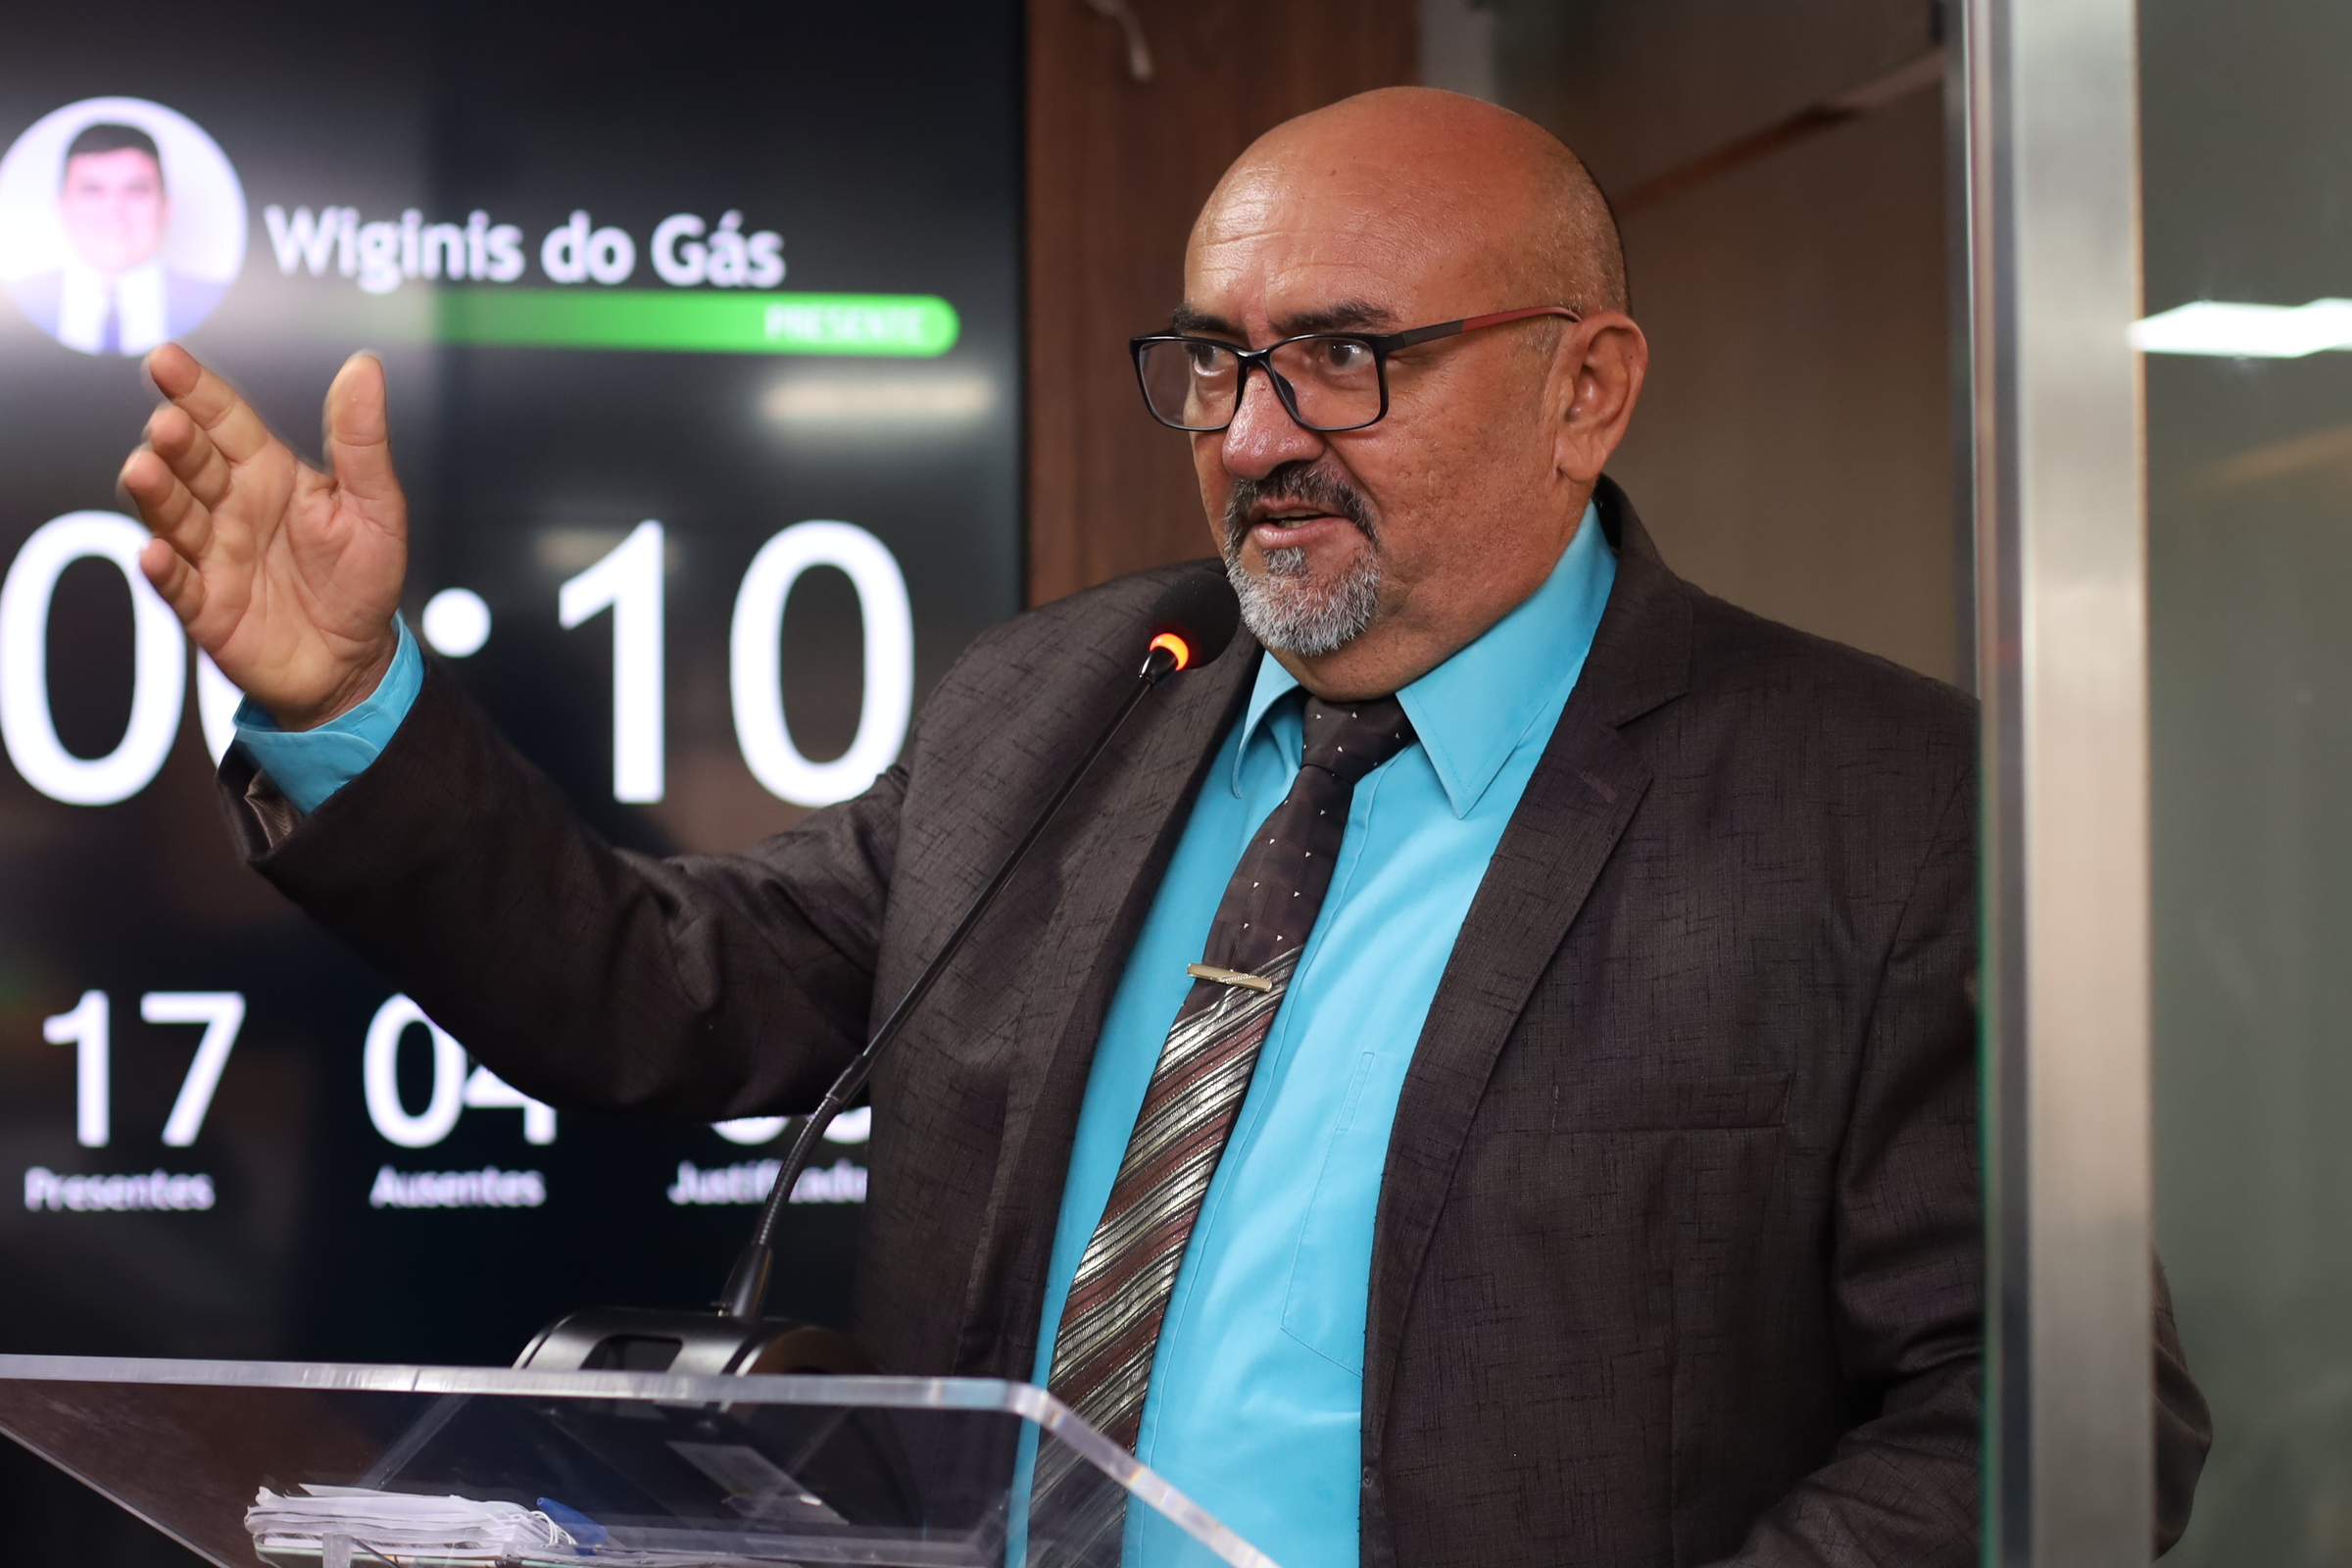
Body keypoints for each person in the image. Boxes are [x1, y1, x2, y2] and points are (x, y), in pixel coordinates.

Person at [120, 88, 2208, 1566]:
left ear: (1587, 390)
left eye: (1347, 358)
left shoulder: (1876, 807)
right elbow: (664, 993)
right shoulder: (1068, 697)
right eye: (1217, 360)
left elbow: (2049, 1417)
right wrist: (339, 699)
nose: (1256, 433)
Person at [11, 122, 225, 356]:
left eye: (136, 190)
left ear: (166, 206)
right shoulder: (18, 304)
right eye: (92, 191)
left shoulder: (217, 304)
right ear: (62, 206)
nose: (114, 208)